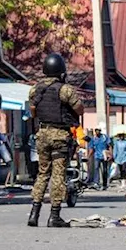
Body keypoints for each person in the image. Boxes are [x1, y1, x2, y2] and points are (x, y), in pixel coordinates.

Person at [27, 53, 83, 227]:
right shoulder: (65, 89)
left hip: (42, 134)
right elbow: (79, 109)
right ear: (60, 70)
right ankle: (54, 216)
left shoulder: (35, 89)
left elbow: (33, 111)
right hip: (59, 135)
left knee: (43, 173)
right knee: (58, 175)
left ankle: (34, 214)